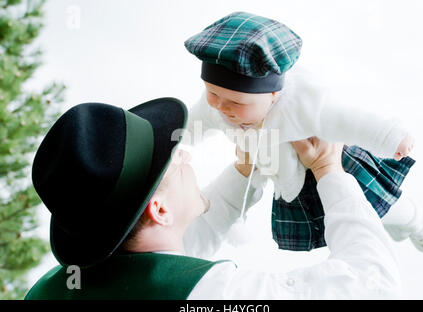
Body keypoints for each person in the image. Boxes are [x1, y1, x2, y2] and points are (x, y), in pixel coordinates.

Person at [26, 97, 401, 299]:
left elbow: (174, 251)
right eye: (171, 164)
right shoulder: (214, 292)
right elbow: (373, 286)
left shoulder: (48, 291)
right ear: (159, 209)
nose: (186, 156)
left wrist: (246, 171)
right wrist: (327, 169)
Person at [183, 11, 423, 252]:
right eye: (212, 92)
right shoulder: (215, 105)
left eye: (236, 102)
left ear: (274, 94)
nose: (220, 106)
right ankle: (380, 225)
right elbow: (192, 124)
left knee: (380, 206)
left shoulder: (302, 104)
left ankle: (415, 219)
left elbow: (346, 118)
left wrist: (389, 136)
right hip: (284, 175)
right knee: (331, 222)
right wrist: (175, 144)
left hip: (336, 164)